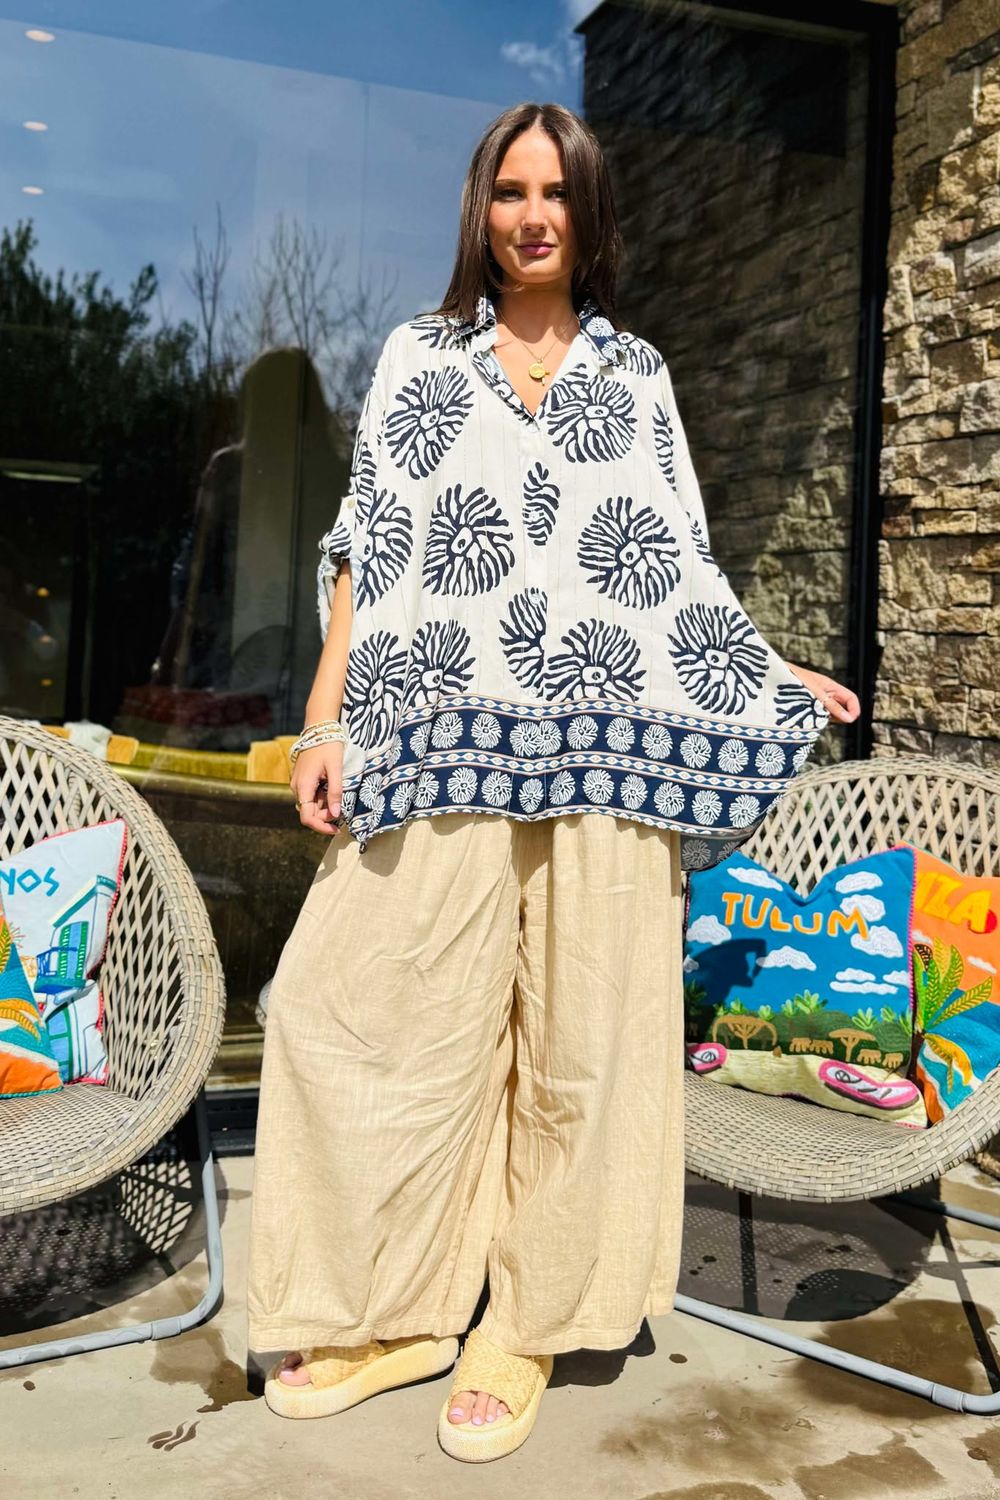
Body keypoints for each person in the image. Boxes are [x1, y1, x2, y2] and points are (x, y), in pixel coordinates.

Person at [246, 99, 860, 1464]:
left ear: (590, 214)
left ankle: (521, 1326)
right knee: (357, 1018)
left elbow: (676, 558)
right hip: (436, 743)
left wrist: (765, 671)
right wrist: (322, 721)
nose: (533, 216)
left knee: (584, 1050)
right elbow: (365, 549)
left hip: (604, 760)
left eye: (557, 193)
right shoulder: (420, 355)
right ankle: (389, 1308)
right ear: (481, 208)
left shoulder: (636, 372)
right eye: (512, 191)